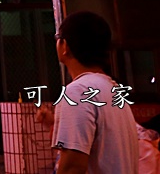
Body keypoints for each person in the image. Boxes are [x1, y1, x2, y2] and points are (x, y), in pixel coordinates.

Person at [51, 11, 137, 174]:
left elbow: (72, 167)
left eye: (57, 38)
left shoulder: (78, 92)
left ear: (65, 46)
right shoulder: (112, 89)